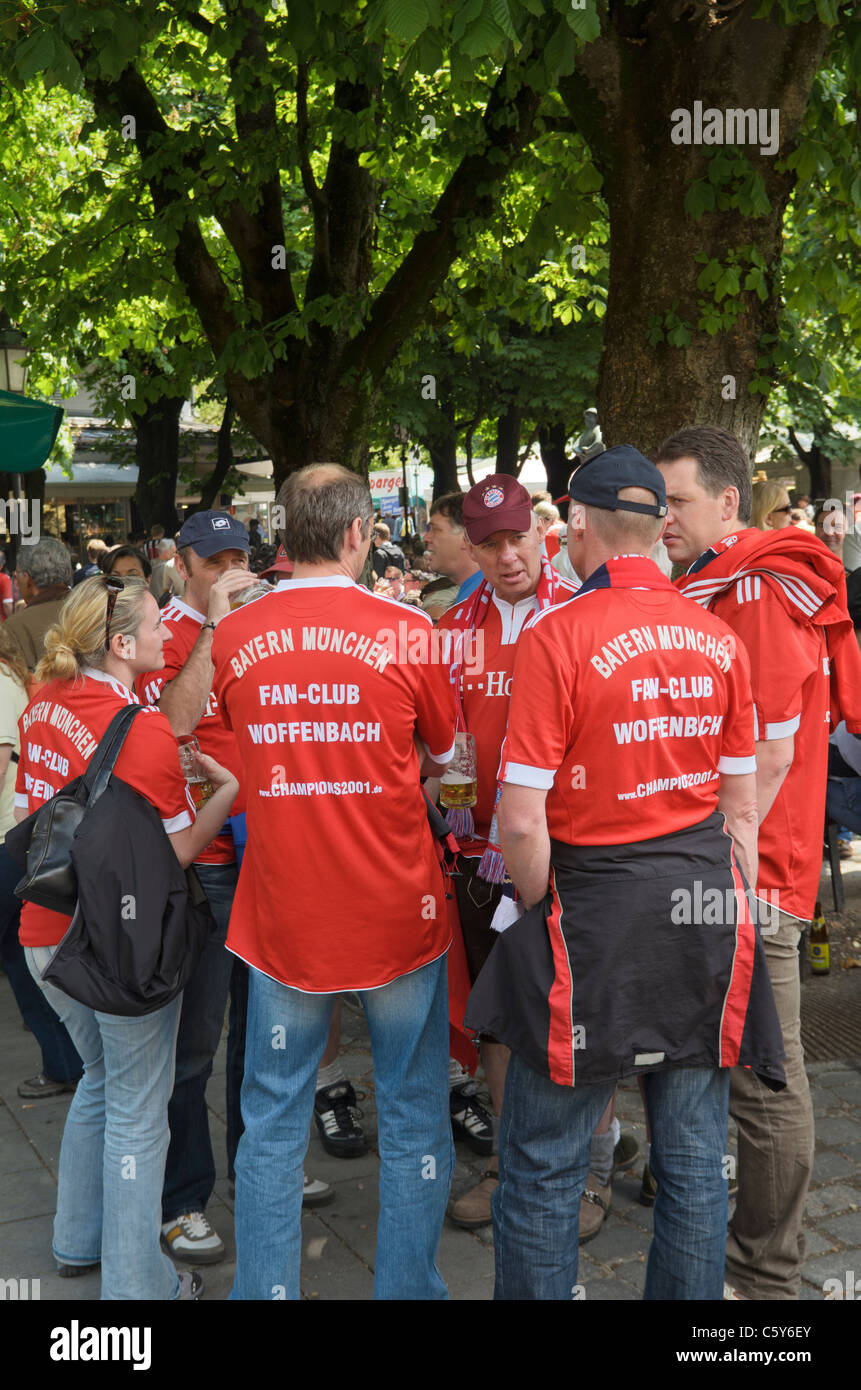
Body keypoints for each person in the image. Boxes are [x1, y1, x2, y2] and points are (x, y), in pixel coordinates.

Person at [466, 445, 785, 1300]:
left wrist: (545, 907)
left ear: (577, 526)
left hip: (593, 910)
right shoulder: (716, 637)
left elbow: (521, 819)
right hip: (700, 904)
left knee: (541, 1166)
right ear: (657, 529)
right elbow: (741, 809)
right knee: (689, 1161)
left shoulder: (556, 635)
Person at [212, 463, 457, 1300]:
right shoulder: (407, 630)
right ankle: (407, 1292)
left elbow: (227, 738)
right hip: (396, 910)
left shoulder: (237, 634)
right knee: (415, 1109)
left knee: (273, 1118)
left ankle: (266, 1292)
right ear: (358, 534)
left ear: (284, 533)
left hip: (284, 917)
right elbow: (441, 748)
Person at [656, 425, 861, 1299]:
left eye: (677, 501)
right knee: (738, 1071)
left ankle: (765, 1283)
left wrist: (719, 869)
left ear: (728, 502)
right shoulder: (719, 583)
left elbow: (773, 756)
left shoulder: (756, 592)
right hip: (735, 869)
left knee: (768, 1086)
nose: (662, 518)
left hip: (751, 879)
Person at [17, 574, 238, 1299]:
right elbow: (176, 852)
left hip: (44, 929)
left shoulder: (43, 703)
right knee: (139, 1114)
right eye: (153, 628)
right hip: (113, 942)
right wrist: (229, 794)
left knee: (100, 1085)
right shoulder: (139, 728)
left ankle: (76, 1239)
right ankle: (139, 1285)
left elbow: (30, 815)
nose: (164, 638)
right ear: (120, 644)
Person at [434, 474, 581, 1232]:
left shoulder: (583, 611)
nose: (506, 555)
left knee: (579, 1007)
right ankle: (505, 1163)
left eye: (516, 537)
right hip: (483, 858)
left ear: (542, 533)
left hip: (574, 845)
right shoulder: (453, 623)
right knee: (494, 1013)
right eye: (488, 543)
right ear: (471, 547)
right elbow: (450, 750)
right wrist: (462, 827)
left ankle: (586, 1166)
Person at [135, 510, 254, 1264]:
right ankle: (182, 1198)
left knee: (263, 1027)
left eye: (239, 556)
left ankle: (256, 1165)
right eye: (214, 560)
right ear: (182, 563)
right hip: (205, 860)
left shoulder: (260, 625)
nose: (229, 570)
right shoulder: (165, 636)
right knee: (196, 1040)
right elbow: (172, 728)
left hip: (266, 850)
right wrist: (214, 626)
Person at [0, 624, 83, 1099]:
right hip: (19, 834)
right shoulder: (17, 679)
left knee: (20, 953)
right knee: (16, 954)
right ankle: (63, 1061)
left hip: (7, 838)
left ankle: (65, 1061)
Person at [4, 538, 72, 670]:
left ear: (27, 578)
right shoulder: (91, 610)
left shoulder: (14, 627)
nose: (16, 582)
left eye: (17, 574)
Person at [424, 493, 482, 602]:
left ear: (467, 538)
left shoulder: (487, 598)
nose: (426, 537)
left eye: (436, 530)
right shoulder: (477, 594)